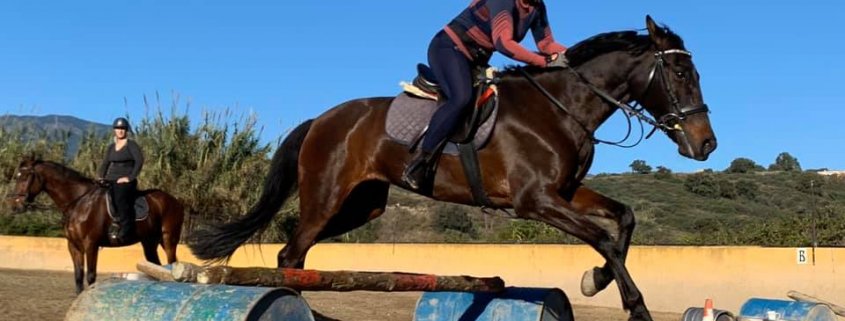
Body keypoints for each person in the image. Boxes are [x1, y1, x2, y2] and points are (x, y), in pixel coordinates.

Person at [402, 0, 570, 190]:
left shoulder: (538, 7)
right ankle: (420, 161)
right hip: (449, 48)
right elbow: (503, 43)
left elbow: (546, 44)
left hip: (476, 60)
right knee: (461, 98)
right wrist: (544, 63)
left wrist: (574, 55)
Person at [97, 117, 144, 243]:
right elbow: (105, 163)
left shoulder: (131, 145)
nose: (120, 131)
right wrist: (100, 176)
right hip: (110, 178)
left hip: (125, 180)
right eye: (118, 128)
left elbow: (139, 162)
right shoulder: (111, 147)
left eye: (123, 128)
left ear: (126, 130)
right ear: (114, 130)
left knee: (120, 198)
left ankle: (126, 229)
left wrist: (129, 177)